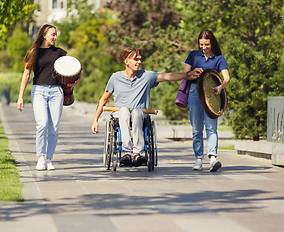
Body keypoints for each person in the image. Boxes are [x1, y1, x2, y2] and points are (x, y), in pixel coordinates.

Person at [92, 47, 201, 166]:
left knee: (137, 112)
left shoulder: (146, 76)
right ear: (126, 61)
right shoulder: (115, 77)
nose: (139, 62)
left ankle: (138, 153)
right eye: (135, 59)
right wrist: (95, 120)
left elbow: (168, 76)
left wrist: (188, 74)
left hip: (140, 113)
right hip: (120, 113)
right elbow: (103, 99)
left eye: (140, 59)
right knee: (124, 110)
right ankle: (126, 153)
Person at [17, 24, 81, 171]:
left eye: (56, 34)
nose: (55, 37)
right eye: (53, 34)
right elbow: (26, 74)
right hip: (38, 90)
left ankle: (49, 159)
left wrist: (78, 78)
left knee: (54, 127)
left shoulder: (59, 52)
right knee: (42, 124)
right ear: (44, 35)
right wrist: (20, 97)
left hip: (56, 92)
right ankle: (40, 157)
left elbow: (75, 66)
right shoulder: (34, 52)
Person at [184, 30, 230, 172]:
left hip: (212, 95)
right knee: (196, 129)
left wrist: (221, 86)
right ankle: (198, 159)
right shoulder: (193, 55)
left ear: (212, 43)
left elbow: (226, 78)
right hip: (194, 94)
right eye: (201, 44)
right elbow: (185, 75)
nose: (204, 47)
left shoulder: (219, 58)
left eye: (207, 44)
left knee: (211, 128)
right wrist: (192, 73)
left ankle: (212, 158)